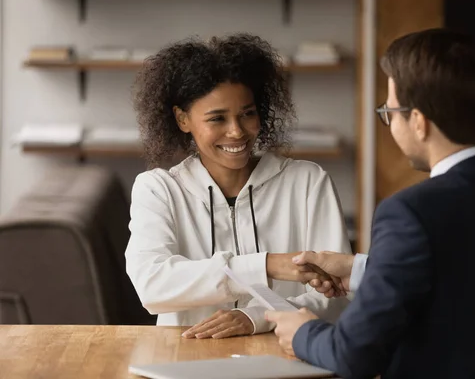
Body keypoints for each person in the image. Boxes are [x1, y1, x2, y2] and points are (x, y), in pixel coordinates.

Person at [265, 28, 475, 379]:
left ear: (418, 122)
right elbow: (473, 279)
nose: (389, 122)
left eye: (389, 111)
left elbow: (353, 356)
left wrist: (303, 333)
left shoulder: (410, 212)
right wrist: (361, 270)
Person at [125, 33, 350, 340]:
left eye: (247, 114)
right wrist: (266, 266)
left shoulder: (308, 182)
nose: (237, 131)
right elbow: (152, 286)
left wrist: (254, 317)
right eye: (217, 118)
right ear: (182, 119)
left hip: (286, 356)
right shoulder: (158, 190)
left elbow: (336, 296)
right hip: (185, 359)